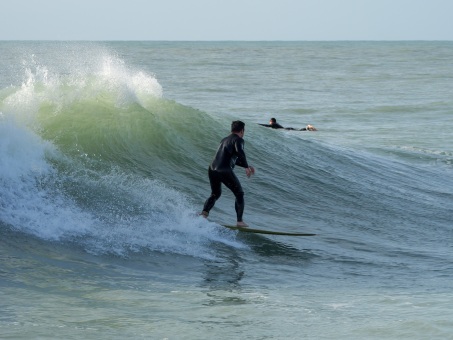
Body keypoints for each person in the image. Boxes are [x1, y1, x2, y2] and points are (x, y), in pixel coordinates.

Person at [201, 120, 255, 227]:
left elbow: (231, 159)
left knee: (215, 193)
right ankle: (239, 222)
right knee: (239, 194)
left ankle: (203, 215)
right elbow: (240, 152)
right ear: (242, 130)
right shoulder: (238, 140)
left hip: (212, 169)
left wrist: (246, 165)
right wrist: (246, 167)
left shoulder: (224, 139)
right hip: (224, 169)